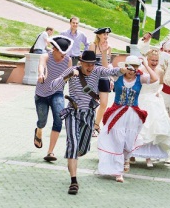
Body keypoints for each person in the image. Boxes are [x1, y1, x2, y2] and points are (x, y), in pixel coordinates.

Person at [51, 50, 129, 195]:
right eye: (87, 64)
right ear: (81, 62)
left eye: (92, 64)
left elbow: (112, 71)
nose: (90, 67)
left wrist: (123, 69)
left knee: (82, 149)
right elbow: (53, 86)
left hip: (89, 115)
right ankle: (74, 181)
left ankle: (72, 156)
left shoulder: (97, 71)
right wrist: (67, 77)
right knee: (73, 144)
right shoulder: (72, 70)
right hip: (73, 113)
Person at [98, 55, 158, 182]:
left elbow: (155, 78)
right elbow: (105, 68)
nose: (131, 71)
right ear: (125, 67)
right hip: (118, 113)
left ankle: (126, 159)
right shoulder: (118, 76)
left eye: (134, 68)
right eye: (129, 67)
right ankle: (118, 171)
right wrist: (104, 52)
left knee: (129, 141)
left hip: (132, 115)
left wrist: (145, 64)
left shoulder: (140, 78)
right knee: (118, 141)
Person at [130, 49, 170, 167]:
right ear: (148, 59)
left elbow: (161, 84)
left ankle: (148, 156)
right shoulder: (141, 70)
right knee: (138, 127)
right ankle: (131, 154)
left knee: (152, 128)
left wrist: (158, 91)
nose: (154, 62)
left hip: (154, 99)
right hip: (142, 98)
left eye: (156, 60)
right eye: (152, 60)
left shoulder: (160, 70)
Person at [33, 35, 72, 162]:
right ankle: (38, 130)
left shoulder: (68, 60)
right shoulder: (46, 56)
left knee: (59, 119)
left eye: (65, 52)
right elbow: (41, 66)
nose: (64, 55)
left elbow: (68, 77)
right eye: (62, 52)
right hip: (41, 94)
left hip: (57, 93)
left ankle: (50, 152)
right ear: (54, 49)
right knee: (42, 121)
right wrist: (41, 74)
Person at [89, 27, 113, 137]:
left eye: (107, 34)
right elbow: (88, 63)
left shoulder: (109, 48)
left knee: (103, 104)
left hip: (104, 78)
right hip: (93, 78)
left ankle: (96, 125)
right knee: (91, 103)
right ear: (98, 35)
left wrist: (111, 78)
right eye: (104, 34)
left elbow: (107, 66)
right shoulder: (92, 46)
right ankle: (88, 125)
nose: (106, 36)